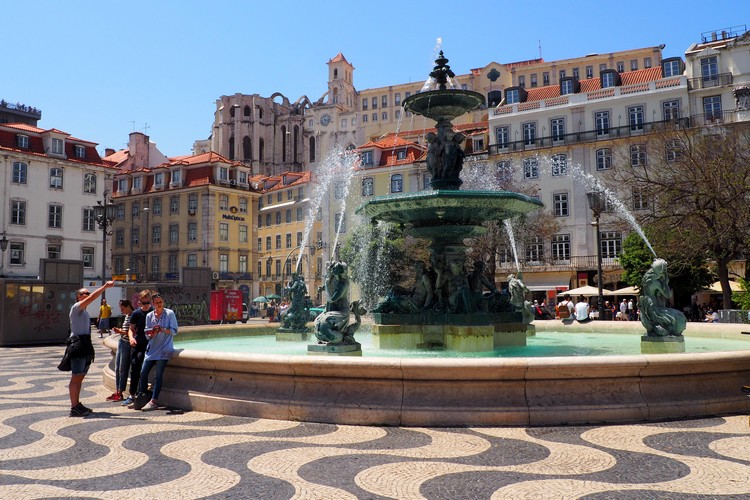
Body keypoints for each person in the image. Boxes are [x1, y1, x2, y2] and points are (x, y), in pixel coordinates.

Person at [64, 281, 114, 417]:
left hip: (84, 344)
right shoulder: (76, 307)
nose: (87, 295)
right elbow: (92, 298)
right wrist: (104, 287)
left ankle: (77, 404)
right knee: (76, 376)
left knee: (80, 376)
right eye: (84, 293)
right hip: (78, 344)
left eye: (87, 293)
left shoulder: (84, 311)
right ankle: (74, 407)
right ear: (78, 297)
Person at [135, 293, 178, 411]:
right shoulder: (149, 316)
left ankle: (154, 400)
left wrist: (163, 329)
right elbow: (146, 332)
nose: (159, 305)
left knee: (158, 376)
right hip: (152, 349)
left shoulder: (169, 314)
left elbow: (175, 331)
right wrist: (152, 332)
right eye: (157, 303)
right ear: (153, 304)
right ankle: (143, 396)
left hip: (164, 349)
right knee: (143, 373)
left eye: (161, 302)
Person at [122, 290, 153, 406]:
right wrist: (131, 338)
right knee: (135, 365)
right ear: (139, 302)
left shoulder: (154, 312)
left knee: (144, 369)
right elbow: (131, 329)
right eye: (143, 303)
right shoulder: (136, 313)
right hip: (139, 344)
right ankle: (132, 394)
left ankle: (142, 392)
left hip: (151, 345)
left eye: (147, 303)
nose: (145, 306)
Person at [106, 299, 134, 402]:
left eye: (122, 309)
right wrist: (120, 332)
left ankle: (121, 391)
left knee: (123, 368)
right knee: (117, 367)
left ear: (128, 306)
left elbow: (132, 333)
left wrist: (120, 331)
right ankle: (118, 391)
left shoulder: (133, 316)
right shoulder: (127, 316)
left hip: (127, 344)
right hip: (121, 342)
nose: (121, 311)